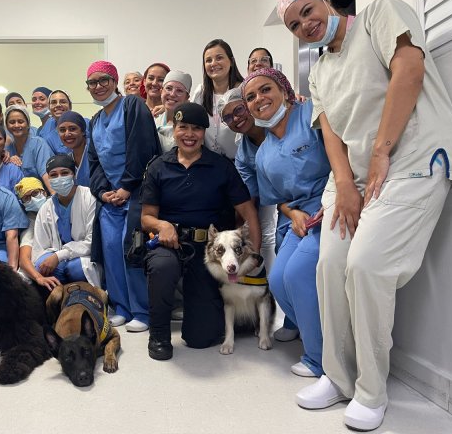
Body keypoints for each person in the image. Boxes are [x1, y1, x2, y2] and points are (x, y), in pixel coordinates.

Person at [278, 0, 452, 431]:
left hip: (412, 159)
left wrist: (380, 150)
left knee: (365, 266)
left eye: (307, 11)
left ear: (325, 0)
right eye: (295, 25)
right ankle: (338, 377)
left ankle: (371, 392)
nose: (305, 24)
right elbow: (330, 132)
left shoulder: (379, 14)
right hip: (357, 177)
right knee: (329, 264)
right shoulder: (319, 71)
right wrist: (344, 183)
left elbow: (409, 71)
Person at [141, 102, 262, 360]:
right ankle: (159, 335)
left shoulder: (221, 167)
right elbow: (146, 217)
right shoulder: (158, 167)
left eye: (196, 128)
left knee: (201, 339)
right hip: (170, 245)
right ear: (174, 129)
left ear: (204, 132)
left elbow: (248, 212)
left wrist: (253, 256)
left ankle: (214, 319)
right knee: (161, 267)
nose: (189, 134)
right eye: (183, 127)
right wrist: (162, 225)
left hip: (209, 251)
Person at [242, 68, 330, 379]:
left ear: (284, 90)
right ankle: (315, 333)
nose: (259, 99)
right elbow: (276, 198)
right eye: (251, 97)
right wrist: (293, 215)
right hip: (300, 216)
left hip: (331, 205)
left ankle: (320, 360)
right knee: (278, 280)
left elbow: (341, 156)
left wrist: (329, 201)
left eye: (266, 89)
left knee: (297, 273)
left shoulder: (310, 114)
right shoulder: (263, 153)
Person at [218, 86, 299, 343]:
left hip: (315, 197)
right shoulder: (244, 154)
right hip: (285, 206)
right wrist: (242, 244)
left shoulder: (282, 124)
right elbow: (249, 201)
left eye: (239, 110)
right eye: (228, 117)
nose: (236, 118)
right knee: (283, 264)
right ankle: (294, 321)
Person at [87, 60, 162, 332]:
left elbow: (142, 147)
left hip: (137, 191)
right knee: (111, 250)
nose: (98, 86)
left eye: (103, 80)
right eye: (92, 82)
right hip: (111, 197)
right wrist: (102, 191)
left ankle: (142, 310)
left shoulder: (132, 105)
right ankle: (121, 307)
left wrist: (127, 186)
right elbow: (94, 161)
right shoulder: (95, 121)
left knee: (132, 248)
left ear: (114, 81)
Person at [31, 155, 102, 291]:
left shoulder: (89, 197)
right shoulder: (46, 208)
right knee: (41, 265)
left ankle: (84, 295)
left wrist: (59, 256)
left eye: (64, 173)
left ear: (73, 174)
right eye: (53, 175)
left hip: (83, 257)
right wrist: (52, 259)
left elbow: (91, 242)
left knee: (75, 268)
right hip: (58, 259)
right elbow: (39, 248)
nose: (59, 178)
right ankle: (61, 297)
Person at [191, 39, 244, 160]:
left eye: (219, 58)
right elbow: (191, 118)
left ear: (231, 61)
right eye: (208, 60)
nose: (213, 63)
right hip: (210, 163)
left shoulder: (244, 90)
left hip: (241, 163)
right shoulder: (201, 92)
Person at [4, 104, 54, 192]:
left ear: (28, 124)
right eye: (12, 122)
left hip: (41, 195)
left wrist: (54, 196)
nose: (16, 125)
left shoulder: (38, 144)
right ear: (7, 126)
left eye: (20, 121)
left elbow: (46, 174)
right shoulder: (8, 149)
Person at [15, 177, 50, 287]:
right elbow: (24, 259)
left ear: (44, 192)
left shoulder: (57, 207)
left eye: (35, 193)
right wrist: (38, 278)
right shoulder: (30, 220)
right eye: (26, 198)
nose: (33, 199)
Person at [155, 70, 192, 152]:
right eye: (168, 88)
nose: (172, 94)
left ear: (187, 97)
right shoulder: (153, 121)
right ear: (161, 91)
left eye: (179, 91)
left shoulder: (191, 126)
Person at [57, 111, 90, 187]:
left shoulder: (96, 152)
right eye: (62, 130)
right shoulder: (68, 159)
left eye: (72, 129)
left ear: (83, 131)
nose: (67, 134)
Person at [39, 90, 72, 155]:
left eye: (63, 102)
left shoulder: (84, 123)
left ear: (70, 106)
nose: (58, 105)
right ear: (49, 107)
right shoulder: (46, 129)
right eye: (53, 102)